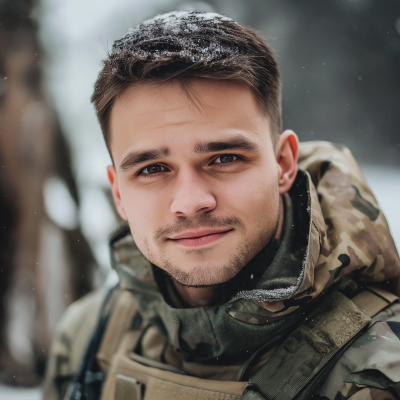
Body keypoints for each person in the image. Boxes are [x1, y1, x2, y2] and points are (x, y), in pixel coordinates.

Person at [43, 11, 400, 400]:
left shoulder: (382, 369)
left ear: (283, 164)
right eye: (153, 168)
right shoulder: (88, 337)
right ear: (118, 194)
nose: (192, 202)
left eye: (225, 158)